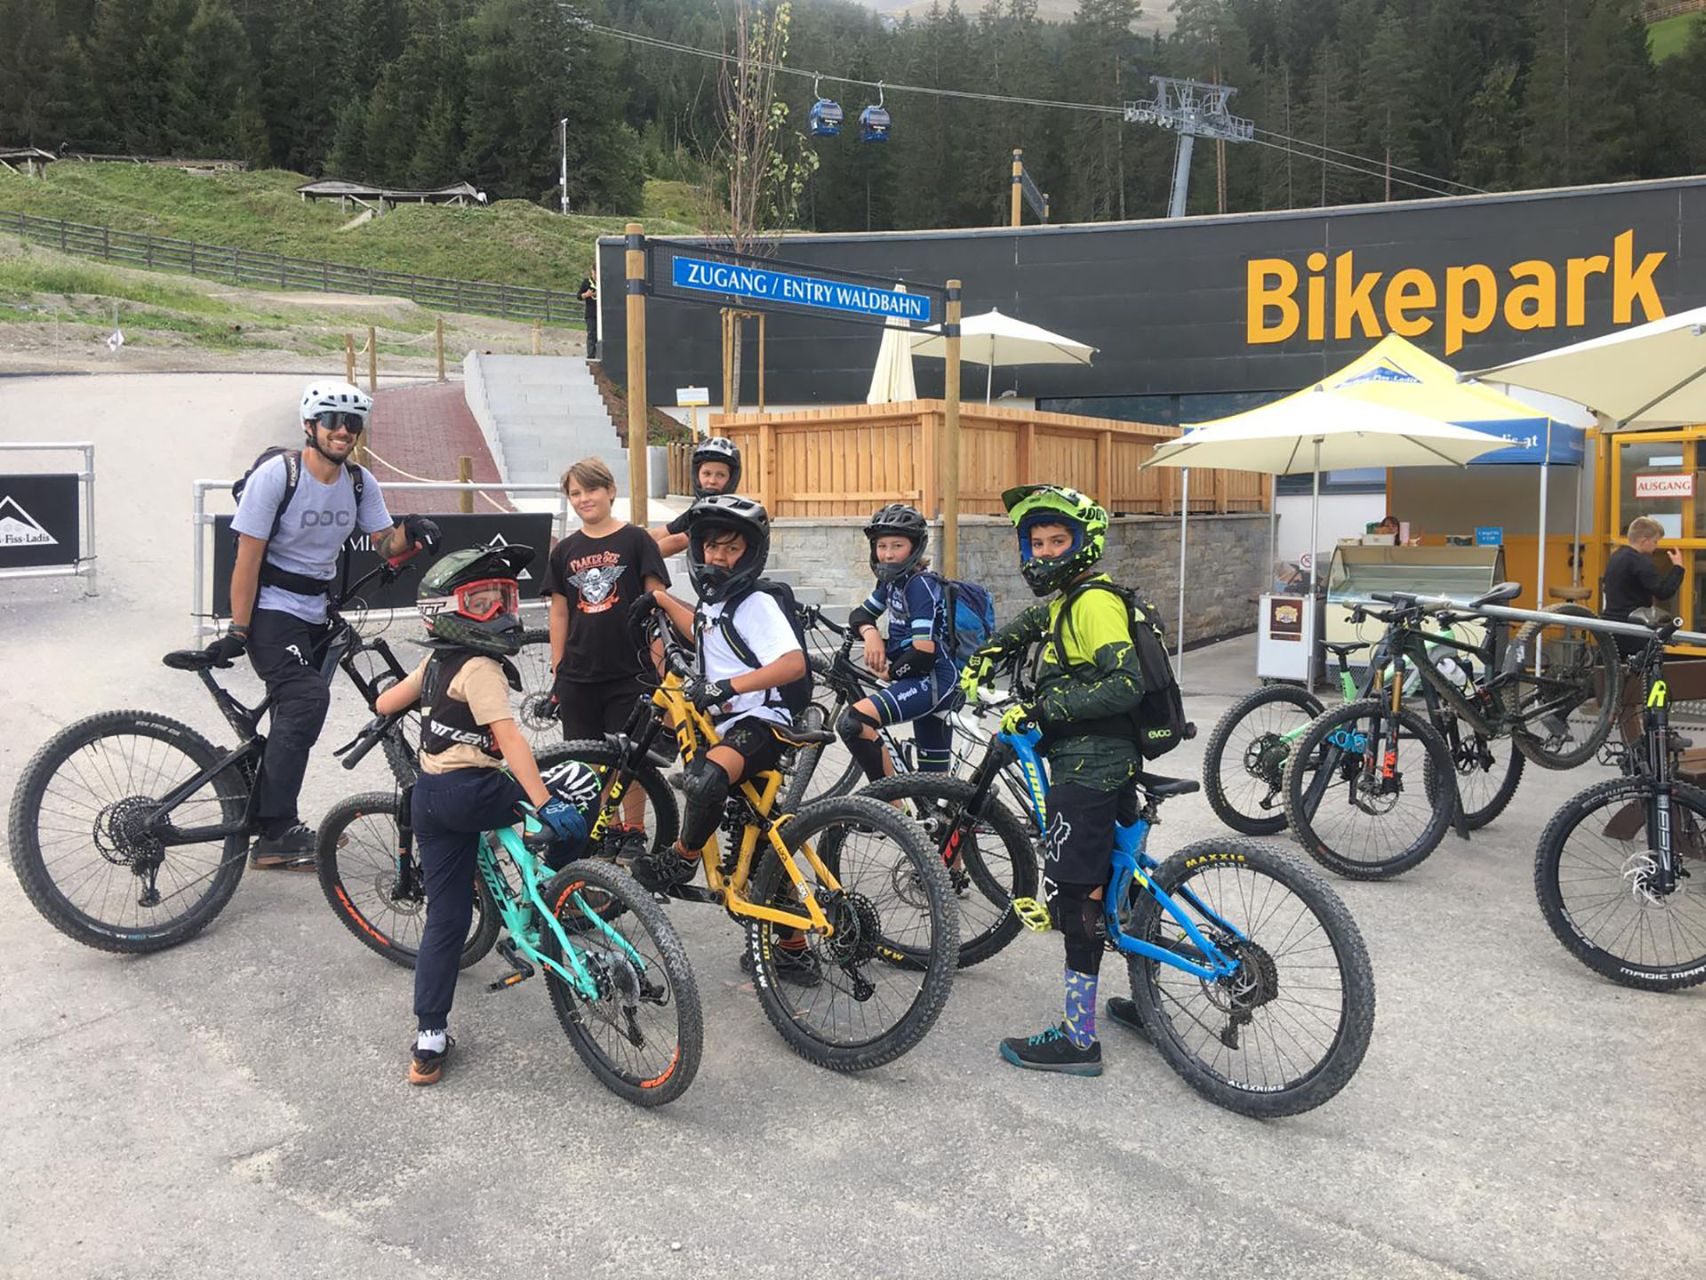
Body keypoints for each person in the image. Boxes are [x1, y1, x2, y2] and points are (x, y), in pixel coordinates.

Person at [376, 543, 594, 1085]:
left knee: (446, 920)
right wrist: (545, 802)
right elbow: (509, 738)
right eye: (482, 602)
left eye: (504, 599)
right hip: (475, 792)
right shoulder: (481, 668)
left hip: (431, 798)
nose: (500, 612)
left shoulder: (434, 663)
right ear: (446, 611)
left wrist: (401, 701)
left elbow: (385, 705)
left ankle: (429, 1039)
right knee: (578, 781)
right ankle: (553, 891)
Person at [203, 381, 441, 870]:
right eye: (332, 420)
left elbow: (384, 544)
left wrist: (410, 531)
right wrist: (238, 630)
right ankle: (276, 833)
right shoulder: (279, 475)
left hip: (317, 609)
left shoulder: (359, 483)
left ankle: (260, 796)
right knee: (306, 699)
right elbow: (246, 558)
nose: (343, 430)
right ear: (310, 426)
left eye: (352, 422)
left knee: (296, 711)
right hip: (272, 609)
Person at [959, 484, 1146, 1077]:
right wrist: (984, 656)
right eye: (1035, 543)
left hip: (1090, 764)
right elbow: (1029, 624)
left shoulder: (1092, 604)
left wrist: (1042, 708)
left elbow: (1125, 684)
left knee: (1078, 896)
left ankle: (1079, 1038)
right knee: (1124, 879)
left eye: (1057, 541)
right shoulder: (1070, 599)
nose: (1043, 553)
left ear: (1083, 543)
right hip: (1104, 756)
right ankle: (1150, 1002)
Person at [627, 495, 818, 983]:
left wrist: (727, 688)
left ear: (751, 553)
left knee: (705, 778)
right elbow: (706, 633)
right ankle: (793, 950)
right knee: (765, 837)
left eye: (731, 549)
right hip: (737, 725)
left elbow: (792, 663)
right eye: (712, 547)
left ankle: (682, 859)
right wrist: (663, 601)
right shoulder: (717, 603)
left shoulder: (757, 603)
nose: (719, 557)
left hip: (764, 722)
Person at [541, 457, 669, 862]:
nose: (584, 499)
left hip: (630, 670)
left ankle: (633, 829)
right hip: (579, 673)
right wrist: (558, 667)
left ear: (611, 491)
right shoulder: (565, 551)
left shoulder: (636, 540)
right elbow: (559, 611)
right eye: (575, 493)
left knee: (630, 757)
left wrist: (658, 664)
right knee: (587, 761)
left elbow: (657, 602)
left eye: (591, 490)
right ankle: (603, 828)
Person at [842, 503, 961, 781]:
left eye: (897, 546)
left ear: (915, 548)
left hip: (933, 680)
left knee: (855, 722)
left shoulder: (919, 585)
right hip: (920, 678)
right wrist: (871, 633)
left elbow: (923, 653)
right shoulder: (892, 582)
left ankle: (888, 804)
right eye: (881, 546)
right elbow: (860, 615)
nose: (888, 554)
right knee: (933, 784)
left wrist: (890, 673)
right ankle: (922, 809)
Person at [1603, 516, 1685, 655]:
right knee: (1644, 665)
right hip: (1633, 627)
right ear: (1644, 540)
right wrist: (1678, 568)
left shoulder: (1616, 556)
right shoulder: (1640, 562)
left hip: (1610, 624)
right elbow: (1663, 592)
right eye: (1655, 541)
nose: (1656, 546)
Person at [650, 436, 741, 557]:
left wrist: (638, 558)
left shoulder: (724, 512)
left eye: (720, 475)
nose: (712, 481)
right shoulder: (700, 508)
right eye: (706, 473)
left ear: (731, 479)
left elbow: (678, 541)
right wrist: (632, 541)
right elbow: (668, 530)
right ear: (697, 475)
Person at [579, 267, 598, 360]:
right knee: (591, 334)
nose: (596, 276)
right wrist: (586, 295)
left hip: (602, 313)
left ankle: (600, 353)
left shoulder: (602, 282)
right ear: (592, 272)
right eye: (595, 273)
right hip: (590, 313)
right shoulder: (586, 282)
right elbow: (578, 296)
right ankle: (591, 355)